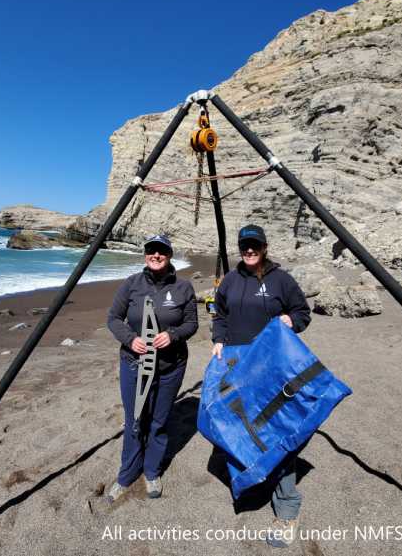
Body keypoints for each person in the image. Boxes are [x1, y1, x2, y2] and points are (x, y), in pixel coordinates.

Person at [211, 224, 311, 548]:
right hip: (239, 367)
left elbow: (302, 312)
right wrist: (217, 339)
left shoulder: (281, 280)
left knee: (278, 429)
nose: (249, 250)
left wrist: (290, 321)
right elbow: (219, 313)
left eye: (254, 245)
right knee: (242, 427)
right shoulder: (230, 279)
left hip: (273, 366)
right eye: (244, 245)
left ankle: (287, 509)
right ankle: (252, 479)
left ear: (264, 247)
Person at [106, 234, 198, 502]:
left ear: (169, 255)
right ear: (146, 254)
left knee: (158, 421)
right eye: (151, 251)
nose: (156, 255)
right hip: (134, 365)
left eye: (161, 251)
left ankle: (152, 471)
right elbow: (113, 318)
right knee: (135, 419)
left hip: (171, 366)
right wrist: (130, 339)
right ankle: (126, 475)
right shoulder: (131, 284)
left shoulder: (183, 287)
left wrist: (173, 335)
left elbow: (191, 324)